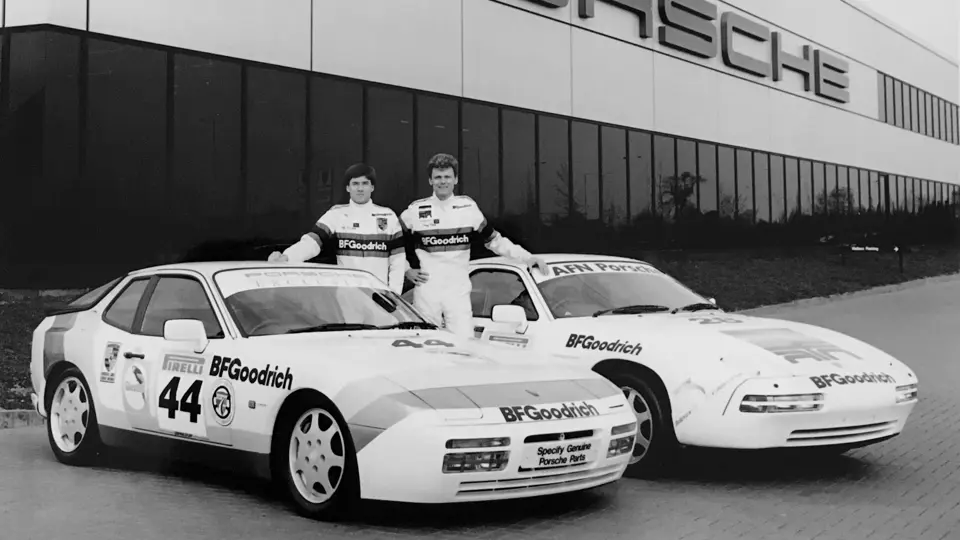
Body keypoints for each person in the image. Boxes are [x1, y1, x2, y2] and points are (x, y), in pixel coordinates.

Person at [400, 153, 548, 338]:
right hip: (427, 291)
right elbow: (393, 243)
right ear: (430, 180)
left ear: (456, 179)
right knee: (427, 345)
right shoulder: (415, 210)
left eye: (447, 177)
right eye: (438, 177)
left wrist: (528, 257)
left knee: (464, 345)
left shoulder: (467, 207)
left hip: (458, 291)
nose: (442, 182)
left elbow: (495, 241)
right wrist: (406, 270)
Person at [268, 163, 406, 295]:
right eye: (355, 184)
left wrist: (394, 295)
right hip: (347, 295)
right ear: (347, 188)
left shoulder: (388, 216)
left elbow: (397, 261)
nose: (360, 188)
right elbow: (312, 242)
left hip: (379, 296)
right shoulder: (336, 214)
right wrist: (287, 257)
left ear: (372, 187)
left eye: (365, 183)